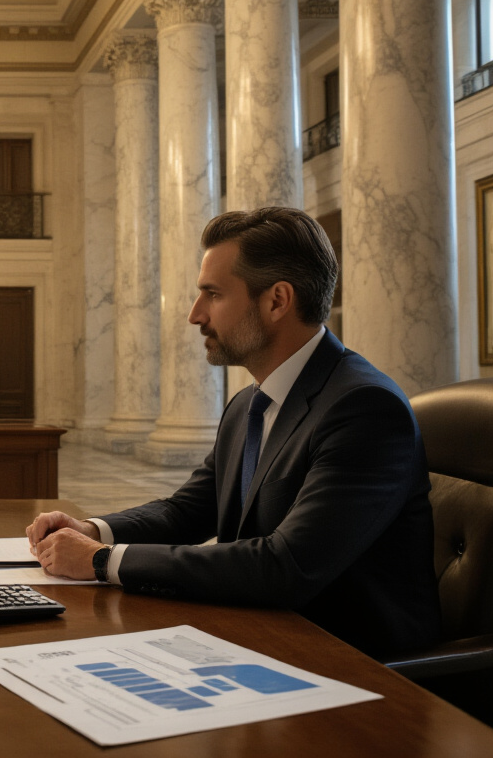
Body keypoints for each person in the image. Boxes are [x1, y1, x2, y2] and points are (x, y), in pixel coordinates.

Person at [27, 207, 441, 657]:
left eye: (212, 294)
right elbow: (186, 512)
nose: (194, 315)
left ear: (277, 300)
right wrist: (94, 530)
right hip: (258, 635)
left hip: (351, 665)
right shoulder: (249, 404)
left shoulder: (365, 408)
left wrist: (100, 561)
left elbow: (285, 566)